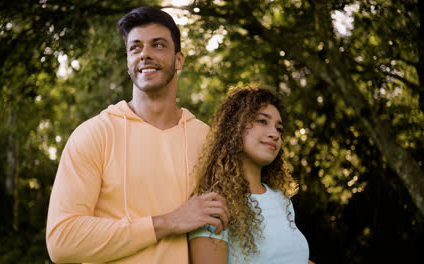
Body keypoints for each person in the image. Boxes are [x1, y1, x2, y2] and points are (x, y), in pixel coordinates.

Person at [46, 6, 228, 264]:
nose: (145, 54)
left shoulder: (206, 139)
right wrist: (167, 222)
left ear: (179, 60)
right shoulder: (95, 134)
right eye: (135, 47)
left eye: (158, 45)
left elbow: (223, 230)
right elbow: (61, 241)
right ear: (128, 61)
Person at [188, 84, 311, 264]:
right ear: (234, 127)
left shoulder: (281, 199)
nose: (274, 134)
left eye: (279, 129)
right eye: (262, 121)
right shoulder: (213, 205)